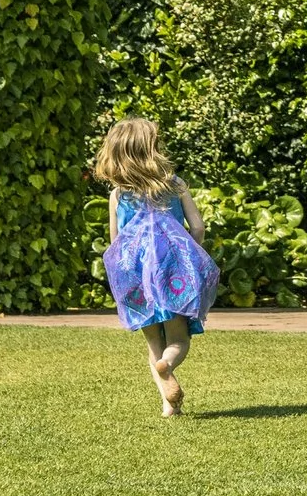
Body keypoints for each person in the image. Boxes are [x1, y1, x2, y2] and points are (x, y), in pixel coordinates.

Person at [94, 116, 221, 415]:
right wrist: (189, 257)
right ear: (152, 149)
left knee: (153, 341)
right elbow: (198, 227)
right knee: (178, 339)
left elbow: (116, 245)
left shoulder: (117, 195)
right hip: (173, 274)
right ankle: (168, 363)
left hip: (137, 279)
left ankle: (169, 407)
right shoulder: (174, 185)